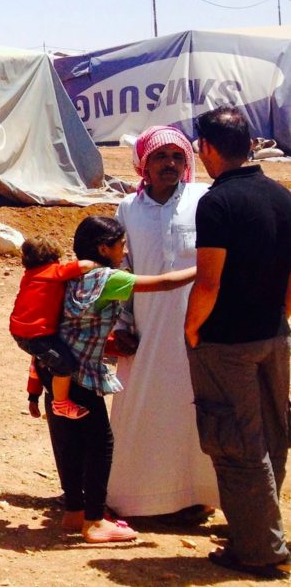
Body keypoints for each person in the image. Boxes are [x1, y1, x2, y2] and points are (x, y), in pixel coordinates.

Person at [183, 107, 291, 577]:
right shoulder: (282, 196)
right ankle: (259, 531)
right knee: (272, 436)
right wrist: (281, 316)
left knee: (235, 443)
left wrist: (191, 328)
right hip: (273, 336)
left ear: (207, 148)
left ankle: (259, 549)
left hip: (226, 343)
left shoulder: (217, 203)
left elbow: (208, 282)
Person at [47, 215, 194, 544]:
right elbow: (165, 283)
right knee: (100, 444)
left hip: (54, 369)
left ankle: (74, 511)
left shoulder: (69, 272)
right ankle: (95, 521)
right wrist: (204, 268)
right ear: (104, 248)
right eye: (121, 245)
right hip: (82, 373)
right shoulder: (108, 278)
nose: (125, 251)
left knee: (68, 442)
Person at [107, 126, 219, 519]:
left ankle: (196, 496)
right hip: (147, 327)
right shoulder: (128, 208)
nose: (170, 163)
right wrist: (120, 326)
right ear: (144, 163)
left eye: (177, 156)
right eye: (160, 156)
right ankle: (140, 499)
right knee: (145, 410)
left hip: (198, 326)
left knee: (194, 411)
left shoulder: (203, 199)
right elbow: (122, 268)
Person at [9, 237, 92, 419]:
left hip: (22, 331)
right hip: (35, 334)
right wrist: (102, 264)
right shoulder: (53, 271)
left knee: (42, 357)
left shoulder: (29, 276)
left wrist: (33, 396)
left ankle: (37, 394)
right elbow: (85, 265)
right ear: (54, 257)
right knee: (64, 364)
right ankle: (60, 404)